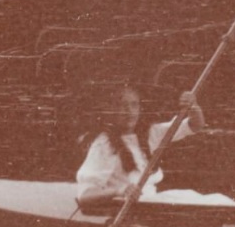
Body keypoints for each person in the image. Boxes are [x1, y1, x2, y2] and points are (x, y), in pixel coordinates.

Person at [76, 85, 205, 211]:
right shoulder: (104, 144)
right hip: (129, 209)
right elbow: (84, 196)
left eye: (134, 105)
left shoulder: (149, 134)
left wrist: (193, 107)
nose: (130, 111)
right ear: (110, 109)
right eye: (122, 105)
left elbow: (195, 125)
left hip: (151, 204)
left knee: (205, 200)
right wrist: (119, 191)